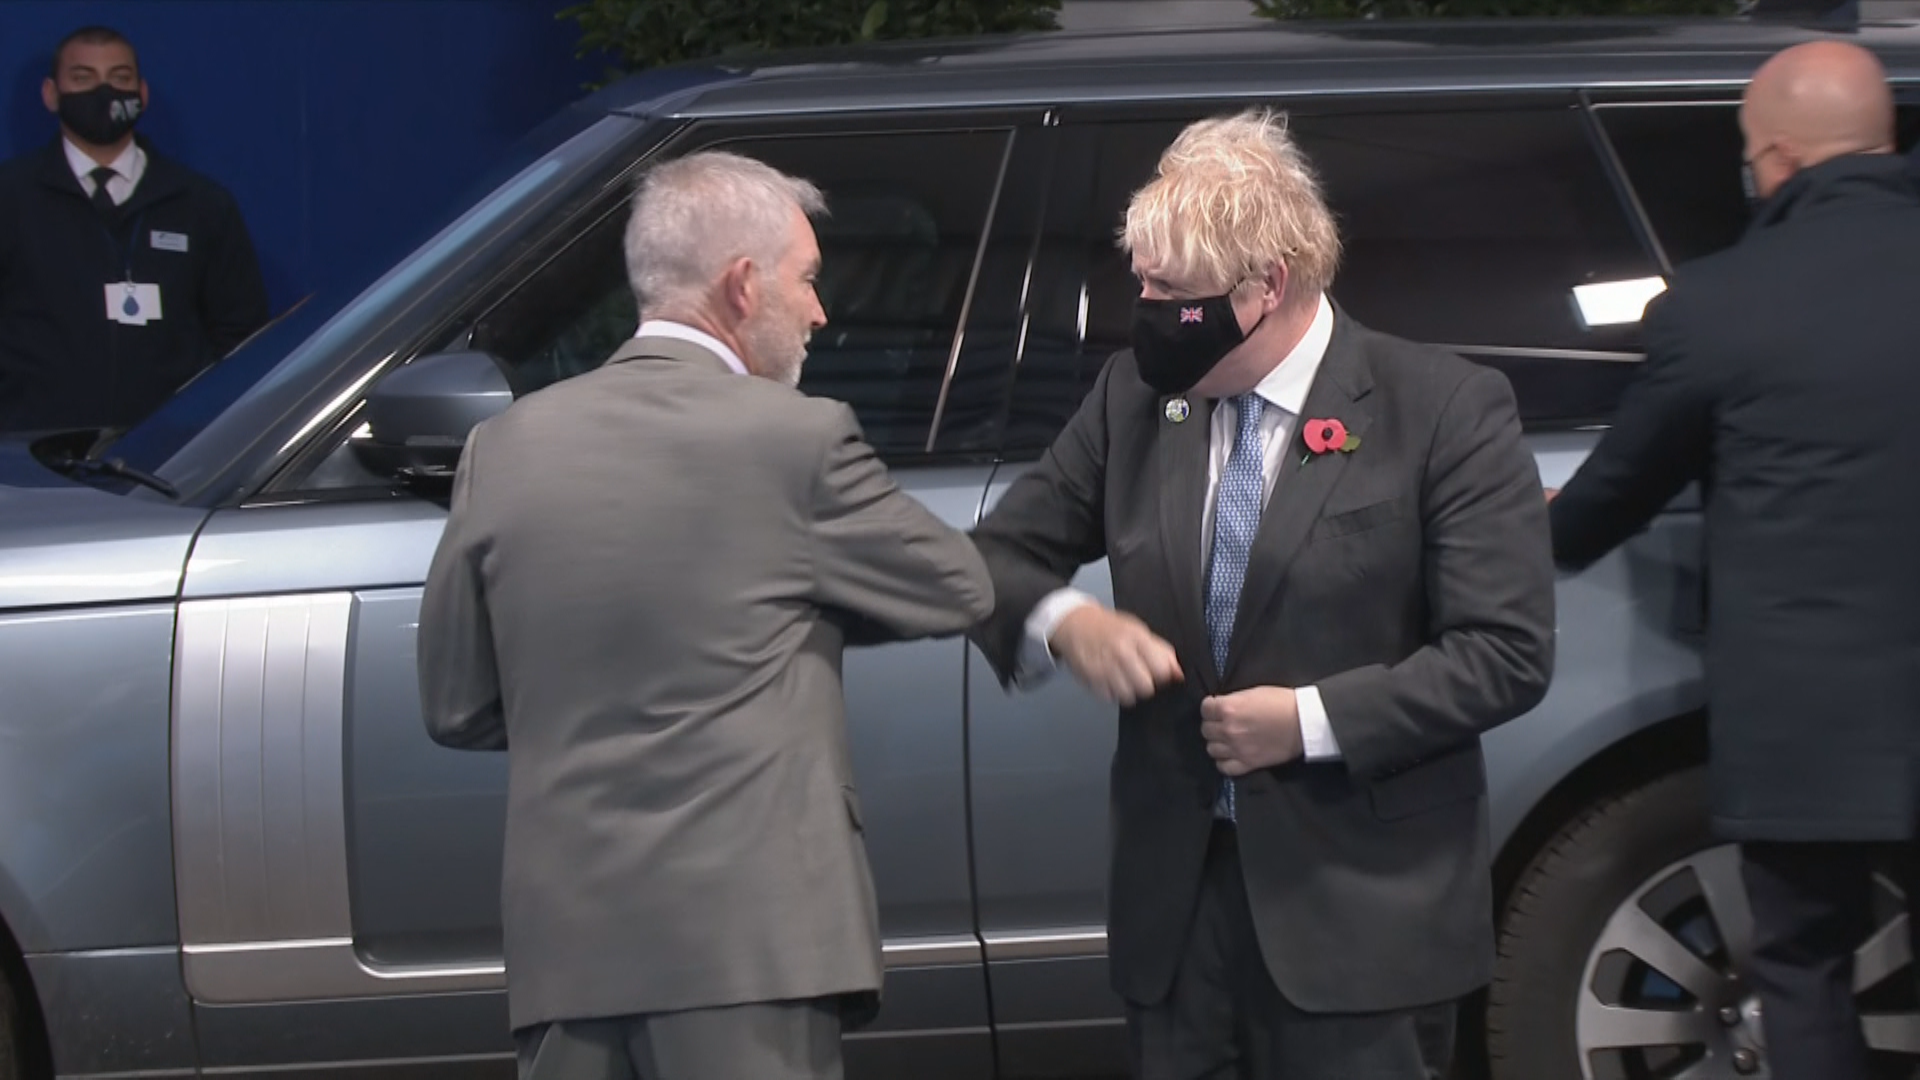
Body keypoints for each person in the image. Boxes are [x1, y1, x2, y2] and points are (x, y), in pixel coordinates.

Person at [967, 109, 1555, 1079]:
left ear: (1269, 285)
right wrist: (1065, 622)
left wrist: (1312, 721)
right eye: (1141, 281)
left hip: (1363, 919)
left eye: (1170, 290)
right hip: (1179, 914)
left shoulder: (1442, 408)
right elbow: (999, 555)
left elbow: (1505, 653)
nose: (1145, 306)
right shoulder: (1136, 399)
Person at [415, 149, 992, 1080]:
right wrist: (792, 601)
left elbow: (457, 705)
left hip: (569, 956)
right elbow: (957, 585)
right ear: (741, 284)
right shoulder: (794, 437)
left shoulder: (503, 447)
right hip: (751, 948)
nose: (819, 312)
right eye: (806, 281)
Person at [1548, 41, 1920, 1080]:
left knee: (1804, 968)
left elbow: (1609, 503)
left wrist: (1521, 529)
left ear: (1777, 159)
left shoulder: (1719, 303)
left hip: (1814, 728)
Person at [0, 25, 269, 435]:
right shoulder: (10, 197)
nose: (103, 92)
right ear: (51, 94)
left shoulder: (200, 204)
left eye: (119, 78)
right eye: (83, 78)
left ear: (141, 94)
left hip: (170, 459)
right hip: (27, 456)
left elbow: (243, 336)